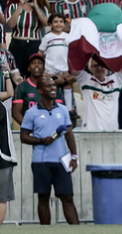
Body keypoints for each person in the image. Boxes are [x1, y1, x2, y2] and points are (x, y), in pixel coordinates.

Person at [19, 76, 79, 225]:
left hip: (61, 161)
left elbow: (69, 134)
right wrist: (41, 140)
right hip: (40, 162)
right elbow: (23, 137)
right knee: (43, 197)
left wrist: (74, 156)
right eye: (48, 86)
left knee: (67, 197)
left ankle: (79, 233)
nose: (53, 88)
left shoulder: (63, 109)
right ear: (40, 90)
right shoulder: (31, 113)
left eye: (53, 85)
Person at [74, 58, 122, 131]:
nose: (99, 68)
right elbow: (72, 63)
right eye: (96, 66)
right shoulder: (85, 79)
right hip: (90, 134)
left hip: (112, 134)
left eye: (102, 65)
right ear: (89, 67)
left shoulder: (116, 80)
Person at [6, 0, 49, 77]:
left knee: (35, 77)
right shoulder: (13, 7)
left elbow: (46, 23)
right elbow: (11, 25)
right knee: (16, 77)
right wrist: (20, 6)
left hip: (35, 45)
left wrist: (36, 6)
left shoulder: (41, 7)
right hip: (18, 44)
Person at [39, 13, 74, 109]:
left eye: (61, 22)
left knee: (67, 86)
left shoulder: (68, 37)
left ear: (64, 24)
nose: (58, 24)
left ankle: (69, 109)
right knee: (51, 88)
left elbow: (72, 54)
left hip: (64, 70)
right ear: (50, 24)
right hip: (51, 70)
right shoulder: (47, 37)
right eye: (55, 22)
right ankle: (52, 108)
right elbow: (40, 52)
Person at [0, 56, 16, 225]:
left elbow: (10, 93)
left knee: (1, 197)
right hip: (3, 155)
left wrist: (6, 73)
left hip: (3, 155)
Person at [11, 54, 49, 125]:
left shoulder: (51, 86)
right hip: (30, 128)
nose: (36, 65)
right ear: (28, 68)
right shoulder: (22, 86)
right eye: (33, 63)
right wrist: (28, 127)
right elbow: (16, 113)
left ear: (44, 68)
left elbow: (58, 109)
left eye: (39, 63)